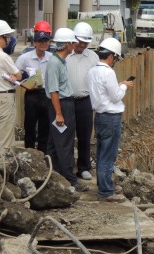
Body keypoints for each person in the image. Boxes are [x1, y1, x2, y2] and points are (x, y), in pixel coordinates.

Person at [86, 38, 133, 202]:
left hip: (99, 116)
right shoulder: (108, 72)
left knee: (101, 153)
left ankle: (103, 184)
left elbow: (104, 92)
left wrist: (118, 85)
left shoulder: (92, 71)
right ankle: (106, 191)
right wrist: (125, 86)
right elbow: (116, 96)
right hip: (111, 118)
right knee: (108, 155)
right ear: (112, 56)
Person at [44, 28, 88, 192]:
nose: (76, 44)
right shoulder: (55, 63)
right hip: (61, 105)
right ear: (67, 44)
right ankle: (70, 179)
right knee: (65, 143)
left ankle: (54, 174)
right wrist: (59, 113)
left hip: (63, 104)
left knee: (54, 143)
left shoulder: (60, 61)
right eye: (73, 42)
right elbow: (54, 91)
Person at [66, 22, 99, 181]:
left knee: (85, 135)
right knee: (66, 135)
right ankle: (66, 166)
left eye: (86, 42)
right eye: (80, 41)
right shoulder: (64, 56)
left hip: (85, 101)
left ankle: (84, 167)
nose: (82, 45)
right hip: (67, 101)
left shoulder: (93, 57)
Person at [15, 29, 52, 153]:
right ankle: (29, 153)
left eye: (46, 41)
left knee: (45, 126)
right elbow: (15, 76)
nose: (44, 44)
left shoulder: (52, 58)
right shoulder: (25, 58)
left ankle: (43, 154)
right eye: (40, 41)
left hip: (46, 95)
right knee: (29, 125)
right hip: (31, 95)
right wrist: (25, 85)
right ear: (34, 43)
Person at [0, 20, 22, 154]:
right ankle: (3, 171)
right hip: (3, 98)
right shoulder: (2, 56)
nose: (8, 39)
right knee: (6, 142)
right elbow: (18, 75)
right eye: (6, 36)